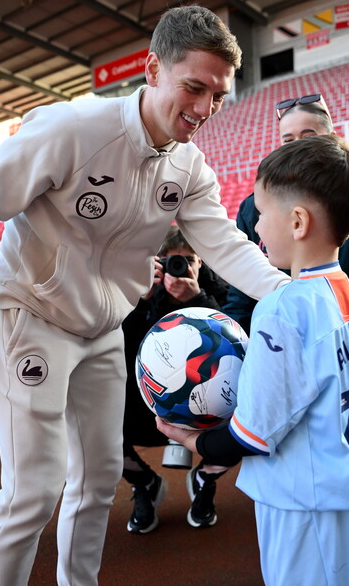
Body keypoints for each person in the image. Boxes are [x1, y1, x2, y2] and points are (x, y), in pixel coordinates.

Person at [0, 6, 289, 586]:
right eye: (193, 87)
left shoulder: (190, 167)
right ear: (152, 69)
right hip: (29, 316)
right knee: (32, 492)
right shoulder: (72, 129)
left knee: (96, 484)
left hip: (102, 331)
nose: (204, 109)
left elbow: (227, 245)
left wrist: (294, 295)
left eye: (217, 95)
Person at [158, 134, 349, 586]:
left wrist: (192, 441)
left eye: (261, 215)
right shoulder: (346, 291)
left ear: (298, 221)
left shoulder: (283, 307)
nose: (255, 229)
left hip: (304, 505)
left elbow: (252, 435)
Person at [222, 94, 349, 445]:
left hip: (341, 354)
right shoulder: (255, 206)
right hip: (275, 353)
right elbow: (242, 286)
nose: (297, 146)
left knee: (343, 442)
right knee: (277, 442)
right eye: (288, 139)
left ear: (331, 138)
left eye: (308, 135)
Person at [121, 225, 230, 533]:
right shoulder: (140, 289)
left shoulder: (214, 289)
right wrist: (140, 299)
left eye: (189, 260)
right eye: (171, 262)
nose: (180, 269)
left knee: (248, 427)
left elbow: (236, 340)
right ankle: (144, 483)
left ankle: (205, 478)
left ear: (201, 263)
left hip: (206, 405)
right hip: (147, 404)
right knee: (90, 435)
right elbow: (122, 349)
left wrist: (198, 299)